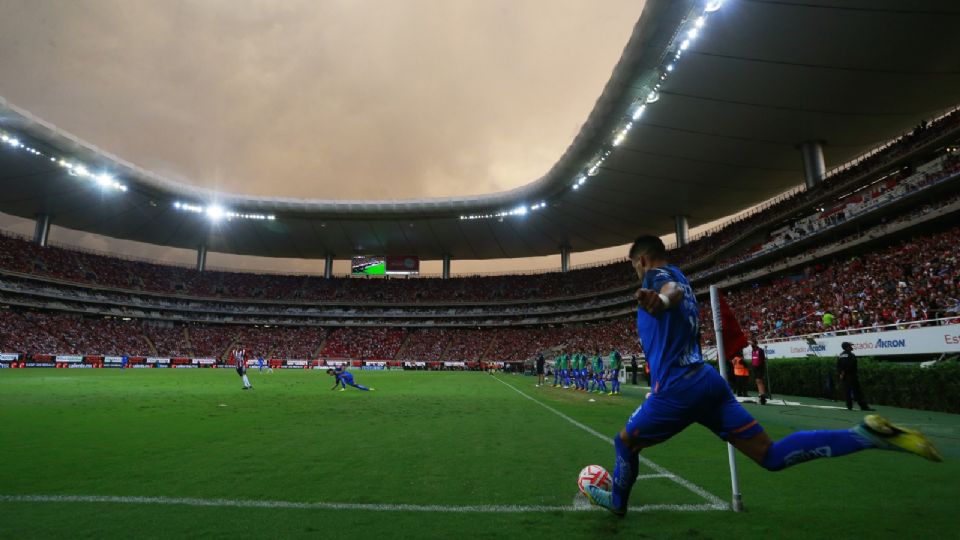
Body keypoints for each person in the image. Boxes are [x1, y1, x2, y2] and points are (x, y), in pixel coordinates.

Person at [584, 235, 942, 517]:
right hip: (707, 383)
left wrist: (660, 302)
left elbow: (668, 293)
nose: (636, 272)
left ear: (642, 259)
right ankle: (867, 435)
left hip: (678, 387)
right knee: (769, 455)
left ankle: (618, 504)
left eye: (634, 265)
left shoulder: (658, 276)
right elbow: (676, 290)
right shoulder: (682, 277)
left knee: (624, 442)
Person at [837, 342, 874, 411]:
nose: (852, 347)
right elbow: (851, 366)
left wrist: (841, 374)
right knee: (857, 391)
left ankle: (849, 406)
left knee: (847, 391)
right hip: (852, 376)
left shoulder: (840, 355)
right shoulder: (851, 355)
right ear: (847, 347)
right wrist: (845, 372)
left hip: (844, 376)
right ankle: (863, 406)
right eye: (850, 346)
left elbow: (838, 366)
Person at [751, 339, 769, 405]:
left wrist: (761, 366)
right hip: (754, 367)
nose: (751, 345)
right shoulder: (753, 351)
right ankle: (760, 394)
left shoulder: (760, 350)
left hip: (759, 368)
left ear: (755, 343)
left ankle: (763, 395)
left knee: (760, 381)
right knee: (757, 381)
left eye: (752, 343)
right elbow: (753, 359)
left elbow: (763, 359)